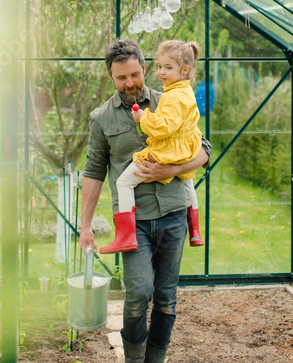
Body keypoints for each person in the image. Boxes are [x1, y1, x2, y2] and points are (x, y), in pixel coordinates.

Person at [79, 38, 211, 363]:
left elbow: (203, 148)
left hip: (174, 214)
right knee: (139, 295)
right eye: (121, 78)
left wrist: (174, 167)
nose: (130, 83)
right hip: (134, 223)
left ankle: (156, 359)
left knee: (166, 299)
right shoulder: (102, 119)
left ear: (144, 68)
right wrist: (85, 226)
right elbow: (94, 173)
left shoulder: (170, 99)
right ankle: (134, 360)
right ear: (110, 77)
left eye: (135, 75)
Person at [100, 39, 205, 253]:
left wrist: (143, 118)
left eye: (168, 67)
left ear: (185, 69)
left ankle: (126, 235)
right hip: (185, 148)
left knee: (124, 183)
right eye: (160, 66)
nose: (162, 72)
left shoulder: (172, 96)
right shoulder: (184, 91)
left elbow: (165, 127)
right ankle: (195, 229)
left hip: (167, 151)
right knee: (188, 181)